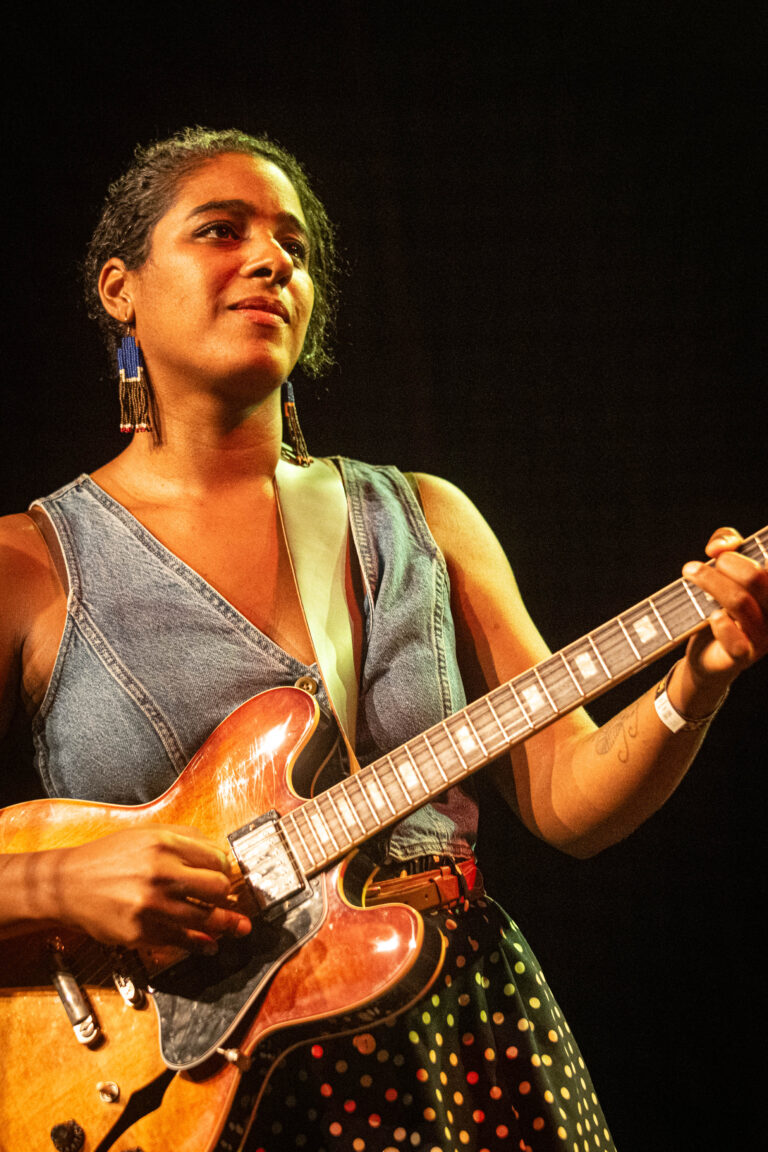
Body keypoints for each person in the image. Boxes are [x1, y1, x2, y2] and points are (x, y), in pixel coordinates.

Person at [0, 127, 765, 1152]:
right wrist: (56, 885)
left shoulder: (424, 519)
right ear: (119, 289)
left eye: (294, 246)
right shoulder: (30, 564)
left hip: (467, 1041)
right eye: (221, 231)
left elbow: (570, 801)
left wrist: (697, 681)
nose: (272, 259)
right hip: (180, 1101)